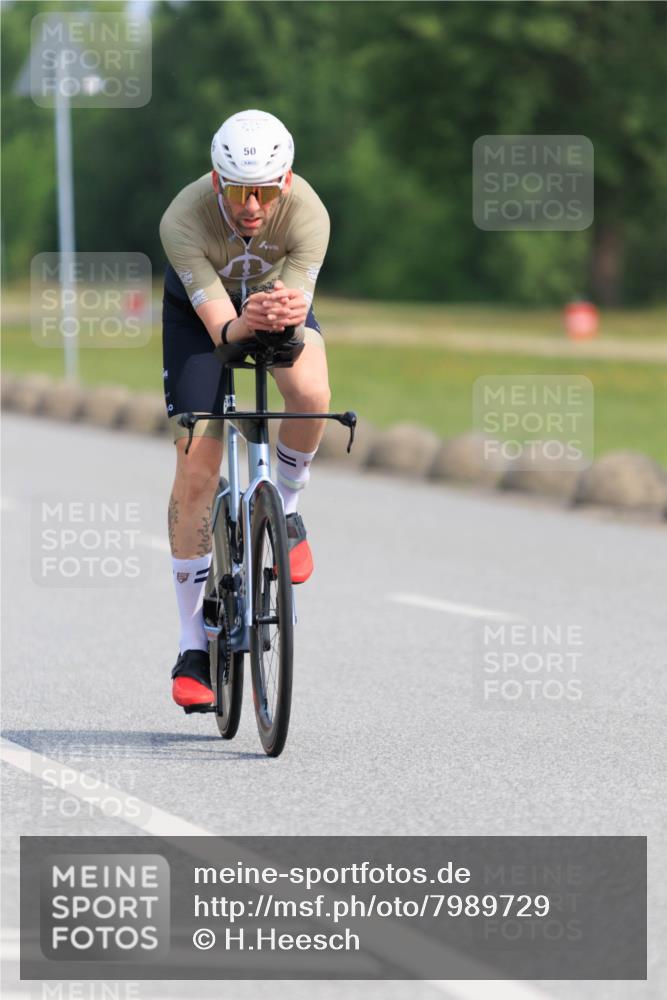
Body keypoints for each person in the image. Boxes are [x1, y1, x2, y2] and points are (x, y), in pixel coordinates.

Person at [159, 109, 331, 710]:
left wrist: (278, 316)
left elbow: (294, 315)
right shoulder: (183, 218)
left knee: (312, 394)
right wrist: (242, 321)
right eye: (237, 191)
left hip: (274, 304)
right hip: (201, 319)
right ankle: (192, 646)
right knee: (197, 469)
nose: (252, 206)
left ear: (287, 182)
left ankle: (287, 508)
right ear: (216, 182)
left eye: (265, 192)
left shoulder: (309, 213)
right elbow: (222, 332)